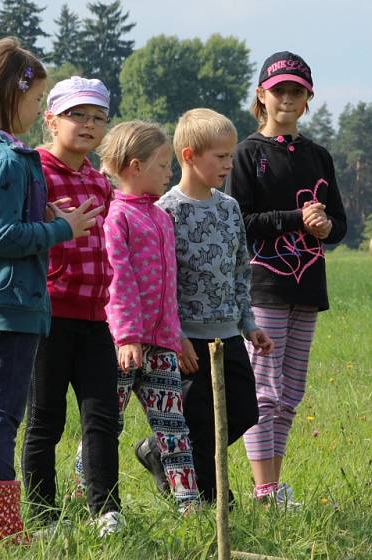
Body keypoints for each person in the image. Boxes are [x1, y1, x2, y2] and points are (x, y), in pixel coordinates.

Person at [0, 38, 102, 547]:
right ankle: (0, 530)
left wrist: (41, 217)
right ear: (12, 95)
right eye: (35, 100)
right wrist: (62, 229)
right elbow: (1, 238)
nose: (36, 109)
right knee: (0, 415)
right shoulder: (9, 158)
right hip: (8, 306)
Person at [226, 51, 347, 506]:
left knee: (291, 392)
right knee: (265, 389)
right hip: (265, 288)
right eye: (280, 90)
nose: (288, 98)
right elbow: (238, 220)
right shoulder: (246, 154)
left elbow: (340, 224)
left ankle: (273, 488)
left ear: (308, 98)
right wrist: (297, 219)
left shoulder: (319, 156)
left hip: (308, 286)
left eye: (297, 91)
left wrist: (325, 227)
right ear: (262, 95)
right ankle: (264, 486)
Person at [135, 108, 274, 505]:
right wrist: (175, 336)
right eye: (220, 157)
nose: (229, 165)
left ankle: (160, 450)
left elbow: (238, 270)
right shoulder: (165, 211)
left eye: (230, 156)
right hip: (186, 339)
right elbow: (161, 282)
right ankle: (214, 500)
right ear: (190, 156)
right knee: (197, 420)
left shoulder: (229, 208)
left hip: (228, 332)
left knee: (244, 410)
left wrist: (249, 324)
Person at [21, 77, 123, 534]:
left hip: (95, 317)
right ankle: (42, 515)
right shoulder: (34, 171)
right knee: (46, 419)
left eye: (98, 117)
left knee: (103, 416)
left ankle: (106, 511)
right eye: (76, 115)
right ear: (51, 120)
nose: (88, 125)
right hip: (48, 316)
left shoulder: (100, 182)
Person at [99, 120, 200, 517]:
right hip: (125, 346)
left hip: (161, 346)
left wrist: (176, 337)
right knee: (108, 426)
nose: (169, 173)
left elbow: (169, 285)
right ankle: (83, 492)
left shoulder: (160, 218)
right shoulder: (116, 217)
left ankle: (188, 505)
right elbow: (117, 281)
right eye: (163, 165)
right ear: (135, 167)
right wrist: (127, 337)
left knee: (173, 426)